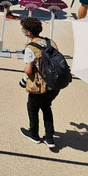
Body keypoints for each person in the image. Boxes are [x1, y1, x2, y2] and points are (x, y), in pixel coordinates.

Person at [19, 17, 60, 148]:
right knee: (46, 107)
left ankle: (34, 134)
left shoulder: (31, 48)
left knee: (32, 108)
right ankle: (49, 138)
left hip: (40, 86)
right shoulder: (50, 42)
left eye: (24, 29)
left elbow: (28, 70)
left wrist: (25, 75)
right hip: (54, 85)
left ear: (28, 32)